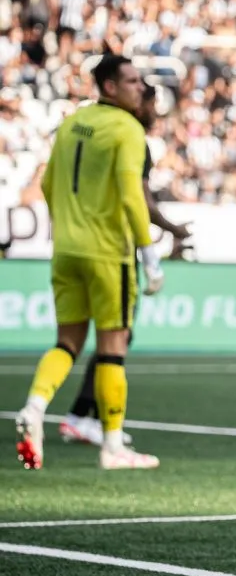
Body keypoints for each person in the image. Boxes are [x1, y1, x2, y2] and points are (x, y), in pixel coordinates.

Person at [14, 54, 164, 471]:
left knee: (67, 343)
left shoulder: (71, 123)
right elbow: (131, 195)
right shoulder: (127, 128)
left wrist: (69, 226)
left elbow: (48, 183)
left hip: (66, 251)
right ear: (109, 86)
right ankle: (112, 446)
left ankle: (34, 408)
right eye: (132, 81)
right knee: (113, 349)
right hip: (108, 253)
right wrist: (150, 253)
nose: (140, 88)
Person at [58, 82, 191, 448]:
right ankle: (93, 422)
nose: (155, 113)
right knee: (115, 337)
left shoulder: (92, 130)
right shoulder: (131, 137)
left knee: (98, 338)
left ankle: (79, 415)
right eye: (151, 104)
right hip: (113, 250)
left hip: (79, 243)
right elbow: (140, 199)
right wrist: (170, 230)